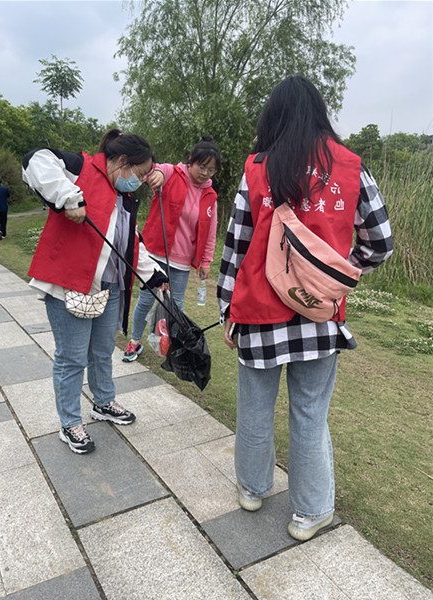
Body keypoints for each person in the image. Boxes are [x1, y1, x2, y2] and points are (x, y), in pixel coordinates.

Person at [217, 76, 393, 541]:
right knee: (310, 414)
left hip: (257, 310)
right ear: (319, 112)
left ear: (272, 116)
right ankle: (310, 513)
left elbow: (236, 246)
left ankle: (252, 489)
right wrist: (338, 274)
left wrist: (225, 307)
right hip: (319, 313)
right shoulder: (351, 166)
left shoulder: (257, 168)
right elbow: (381, 243)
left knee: (254, 409)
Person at [22, 129, 168, 454]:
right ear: (122, 161)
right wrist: (68, 197)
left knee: (102, 351)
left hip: (109, 285)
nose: (141, 181)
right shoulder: (81, 168)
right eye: (141, 173)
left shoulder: (123, 196)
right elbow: (35, 160)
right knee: (72, 358)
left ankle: (103, 402)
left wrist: (154, 275)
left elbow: (129, 243)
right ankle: (70, 422)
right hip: (71, 284)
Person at [123, 135, 221, 362]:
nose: (205, 173)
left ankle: (173, 348)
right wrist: (155, 173)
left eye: (211, 170)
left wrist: (206, 261)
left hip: (183, 261)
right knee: (146, 300)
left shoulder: (210, 196)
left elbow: (210, 232)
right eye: (202, 167)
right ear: (191, 160)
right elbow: (153, 170)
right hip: (155, 254)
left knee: (176, 307)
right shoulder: (171, 172)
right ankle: (135, 341)